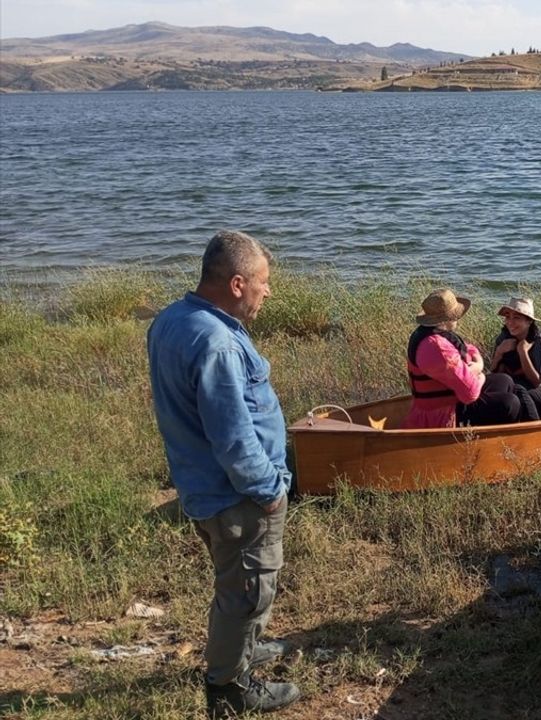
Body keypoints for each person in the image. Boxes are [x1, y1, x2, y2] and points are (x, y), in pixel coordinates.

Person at [146, 230, 300, 717]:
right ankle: (230, 690)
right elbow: (234, 440)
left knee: (236, 583)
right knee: (248, 592)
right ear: (237, 283)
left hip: (202, 487)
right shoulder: (218, 344)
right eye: (262, 282)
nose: (267, 292)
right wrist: (270, 492)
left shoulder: (174, 319)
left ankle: (244, 648)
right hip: (237, 498)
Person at [403, 288, 524, 429]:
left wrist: (477, 364)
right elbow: (470, 394)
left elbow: (469, 348)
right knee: (510, 403)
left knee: (504, 380)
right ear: (450, 318)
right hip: (444, 413)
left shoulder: (432, 334)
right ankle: (495, 444)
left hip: (454, 398)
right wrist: (480, 375)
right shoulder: (436, 347)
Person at [490, 297, 541, 419]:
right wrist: (499, 352)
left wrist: (523, 352)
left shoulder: (540, 341)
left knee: (518, 393)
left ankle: (533, 428)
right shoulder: (504, 338)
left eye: (516, 318)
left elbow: (537, 382)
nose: (510, 322)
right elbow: (493, 372)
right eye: (508, 317)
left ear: (529, 321)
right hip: (518, 384)